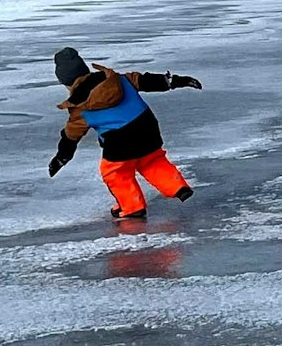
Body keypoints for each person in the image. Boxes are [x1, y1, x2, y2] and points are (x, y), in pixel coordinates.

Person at [48, 48, 203, 220]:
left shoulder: (79, 108)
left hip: (119, 142)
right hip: (147, 129)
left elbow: (71, 136)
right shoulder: (119, 80)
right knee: (152, 160)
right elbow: (148, 81)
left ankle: (132, 207)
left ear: (66, 82)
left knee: (116, 173)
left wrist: (61, 158)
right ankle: (178, 187)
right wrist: (178, 81)